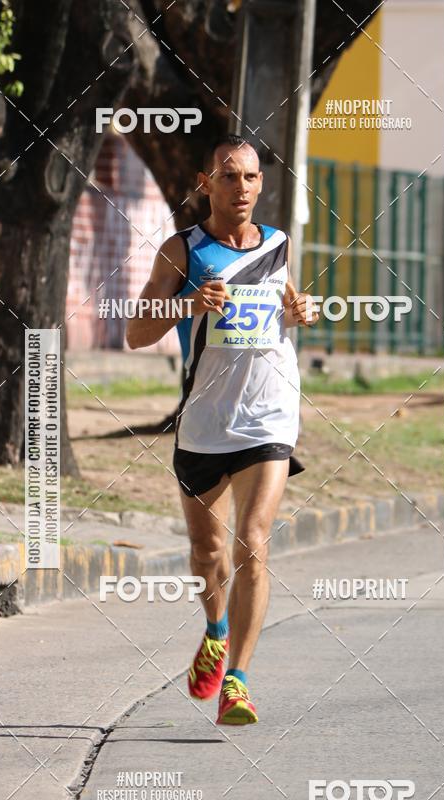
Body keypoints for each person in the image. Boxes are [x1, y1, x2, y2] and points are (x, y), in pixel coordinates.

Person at [126, 134, 318, 726]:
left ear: (262, 184)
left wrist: (302, 311)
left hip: (270, 416)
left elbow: (287, 307)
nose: (242, 188)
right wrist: (187, 304)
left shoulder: (280, 245)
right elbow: (136, 331)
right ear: (206, 183)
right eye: (230, 177)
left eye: (252, 178)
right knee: (209, 553)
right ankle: (214, 630)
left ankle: (237, 680)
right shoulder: (183, 250)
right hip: (205, 424)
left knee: (252, 543)